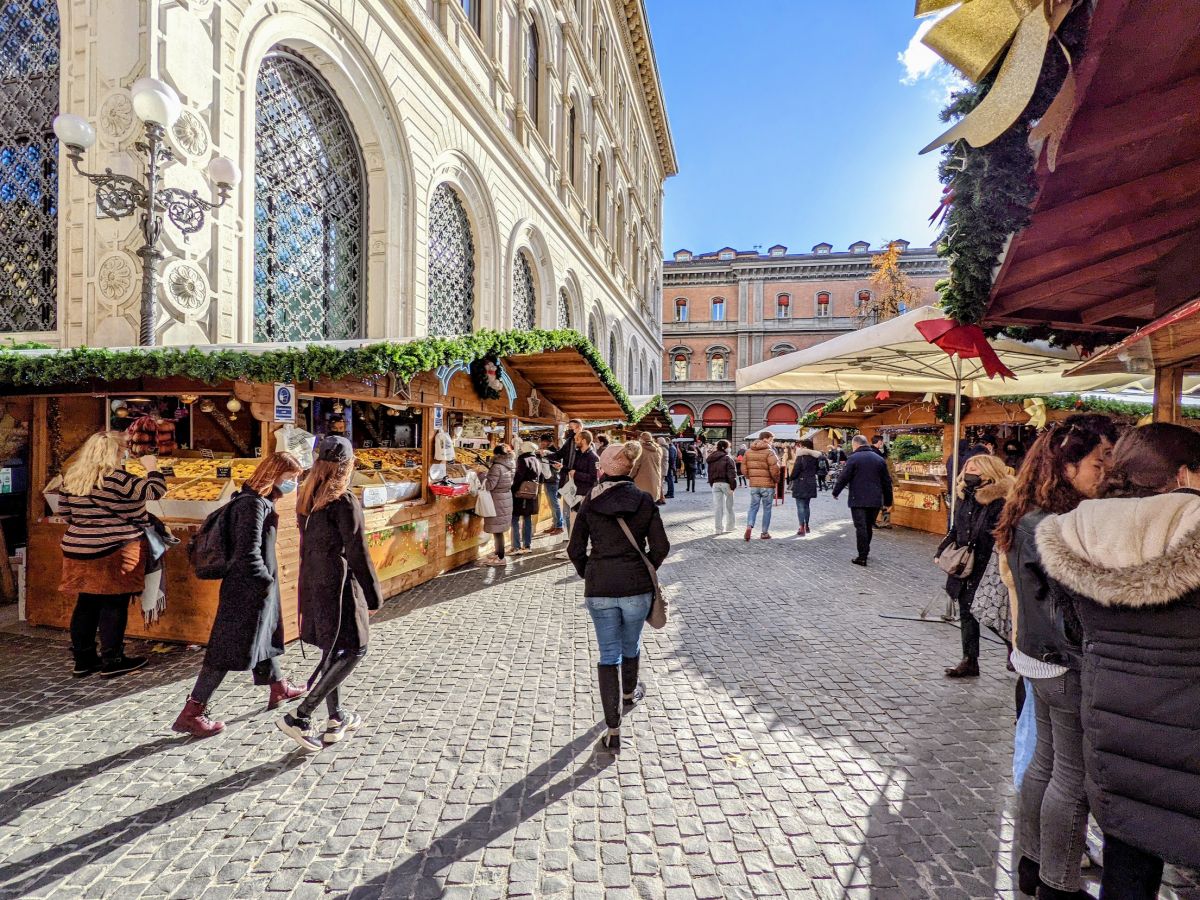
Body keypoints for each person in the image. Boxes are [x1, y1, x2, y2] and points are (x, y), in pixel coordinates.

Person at [1036, 423, 1200, 900]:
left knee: (1126, 867)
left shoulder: (1081, 530)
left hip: (1114, 727)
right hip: (1188, 729)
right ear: (1186, 473)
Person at [993, 414, 1117, 900]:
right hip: (1064, 663)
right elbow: (1077, 599)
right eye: (1099, 460)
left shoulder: (1030, 512)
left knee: (1044, 766)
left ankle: (1031, 863)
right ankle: (1058, 884)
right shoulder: (1060, 524)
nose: (1105, 470)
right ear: (1067, 466)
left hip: (1036, 658)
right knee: (1070, 776)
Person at [172, 452, 308, 737]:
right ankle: (193, 711)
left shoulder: (257, 501)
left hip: (255, 587)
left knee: (266, 636)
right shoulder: (252, 505)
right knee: (225, 650)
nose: (293, 483)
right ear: (274, 476)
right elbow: (247, 552)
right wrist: (264, 580)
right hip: (247, 588)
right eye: (290, 478)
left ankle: (278, 687)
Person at [278, 435, 383, 752]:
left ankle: (336, 717)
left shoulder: (306, 495)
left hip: (313, 582)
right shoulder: (343, 501)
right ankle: (301, 715)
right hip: (339, 587)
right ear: (347, 465)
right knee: (355, 649)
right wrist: (374, 596)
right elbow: (358, 553)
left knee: (333, 648)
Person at [567, 441, 670, 753]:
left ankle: (613, 729)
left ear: (606, 467)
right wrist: (644, 567)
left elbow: (574, 549)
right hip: (636, 586)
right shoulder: (644, 500)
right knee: (631, 643)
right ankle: (628, 695)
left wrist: (592, 572)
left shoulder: (589, 501)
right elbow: (661, 546)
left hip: (600, 587)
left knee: (608, 653)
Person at [59, 431, 167, 678]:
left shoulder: (71, 478)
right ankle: (113, 659)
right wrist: (152, 467)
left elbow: (66, 513)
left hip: (77, 549)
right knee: (114, 602)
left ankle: (83, 660)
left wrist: (89, 525)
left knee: (85, 603)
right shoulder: (119, 479)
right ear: (116, 452)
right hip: (116, 550)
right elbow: (155, 490)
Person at [936, 454, 1014, 678]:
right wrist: (942, 550)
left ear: (989, 471)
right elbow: (956, 528)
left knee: (986, 611)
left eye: (975, 469)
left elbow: (1005, 531)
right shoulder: (964, 495)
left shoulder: (1001, 499)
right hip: (964, 561)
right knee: (966, 609)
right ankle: (970, 660)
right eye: (968, 467)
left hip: (989, 562)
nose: (969, 472)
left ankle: (1013, 644)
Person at [832, 435, 893, 566]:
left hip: (858, 498)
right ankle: (865, 551)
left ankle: (862, 556)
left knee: (860, 527)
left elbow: (844, 477)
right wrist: (888, 502)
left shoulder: (853, 458)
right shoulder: (879, 459)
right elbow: (887, 482)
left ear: (856, 445)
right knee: (868, 526)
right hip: (875, 499)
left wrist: (836, 492)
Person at [480, 444, 516, 568]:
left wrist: (482, 477)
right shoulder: (510, 465)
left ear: (497, 454)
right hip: (505, 498)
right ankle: (497, 554)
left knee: (497, 530)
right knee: (499, 529)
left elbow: (490, 485)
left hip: (497, 500)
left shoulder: (497, 467)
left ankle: (501, 557)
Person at [742, 432, 781, 541]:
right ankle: (764, 533)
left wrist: (751, 477)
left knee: (753, 507)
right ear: (766, 439)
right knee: (767, 509)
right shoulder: (769, 451)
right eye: (771, 439)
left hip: (755, 485)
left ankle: (749, 526)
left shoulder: (748, 451)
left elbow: (743, 468)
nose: (772, 442)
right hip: (767, 485)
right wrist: (776, 480)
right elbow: (775, 468)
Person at [552, 419, 584, 538]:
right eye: (569, 427)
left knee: (577, 511)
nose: (569, 430)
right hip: (566, 480)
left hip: (579, 482)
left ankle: (577, 537)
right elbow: (559, 454)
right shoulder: (569, 441)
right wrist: (546, 454)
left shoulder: (585, 443)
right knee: (566, 511)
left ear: (579, 427)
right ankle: (570, 536)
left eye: (571, 427)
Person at [510, 440, 543, 556]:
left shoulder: (523, 459)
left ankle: (516, 546)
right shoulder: (537, 460)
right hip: (532, 493)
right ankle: (527, 545)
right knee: (527, 518)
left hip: (521, 493)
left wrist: (513, 489)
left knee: (514, 518)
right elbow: (541, 478)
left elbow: (519, 476)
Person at [789, 439, 822, 536]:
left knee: (800, 506)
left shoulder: (801, 456)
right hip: (811, 482)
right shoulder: (816, 456)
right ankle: (807, 525)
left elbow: (796, 470)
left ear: (803, 446)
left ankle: (801, 527)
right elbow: (818, 469)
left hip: (800, 482)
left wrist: (791, 478)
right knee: (807, 505)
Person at [707, 440, 738, 534]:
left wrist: (712, 483)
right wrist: (733, 486)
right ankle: (730, 526)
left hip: (715, 484)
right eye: (729, 446)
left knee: (718, 507)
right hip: (726, 484)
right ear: (725, 447)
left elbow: (710, 473)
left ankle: (718, 529)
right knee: (729, 506)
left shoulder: (711, 458)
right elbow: (732, 473)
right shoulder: (728, 458)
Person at [538, 433, 565, 535]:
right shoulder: (551, 451)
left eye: (542, 441)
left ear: (547, 442)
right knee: (552, 504)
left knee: (554, 504)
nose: (540, 443)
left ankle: (559, 526)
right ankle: (555, 524)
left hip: (552, 481)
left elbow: (555, 466)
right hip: (550, 480)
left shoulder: (552, 452)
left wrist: (544, 453)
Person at [630, 431, 663, 503]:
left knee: (642, 504)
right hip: (655, 478)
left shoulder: (641, 450)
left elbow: (636, 466)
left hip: (641, 480)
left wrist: (630, 476)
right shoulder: (658, 449)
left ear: (642, 439)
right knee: (652, 501)